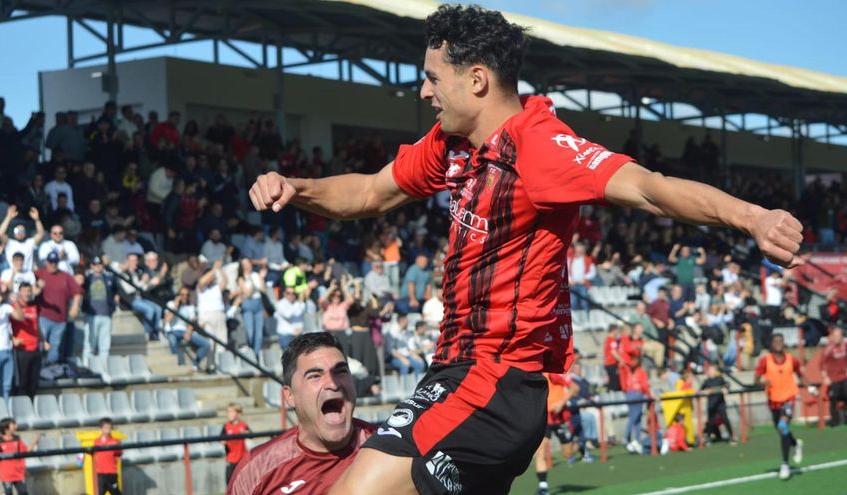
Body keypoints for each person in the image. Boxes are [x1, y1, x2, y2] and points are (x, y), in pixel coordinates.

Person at [249, 5, 804, 493]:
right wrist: (295, 189)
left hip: (492, 384)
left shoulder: (540, 146)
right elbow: (371, 191)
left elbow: (649, 188)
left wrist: (752, 216)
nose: (423, 92)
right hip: (456, 375)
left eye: (431, 79)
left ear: (477, 80)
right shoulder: (450, 145)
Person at [228, 332, 375, 495]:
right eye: (315, 376)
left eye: (340, 371)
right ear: (290, 396)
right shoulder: (256, 470)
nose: (333, 384)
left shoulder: (388, 451)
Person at [755, 333, 807, 480]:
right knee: (781, 430)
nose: (778, 343)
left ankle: (785, 464)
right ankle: (796, 443)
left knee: (783, 426)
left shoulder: (791, 359)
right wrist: (763, 383)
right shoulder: (765, 360)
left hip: (788, 398)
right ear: (771, 344)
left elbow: (800, 374)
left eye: (780, 341)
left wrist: (810, 387)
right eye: (775, 341)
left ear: (784, 343)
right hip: (773, 400)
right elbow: (756, 379)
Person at [533, 373, 581, 495]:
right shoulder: (531, 374)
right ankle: (543, 486)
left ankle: (580, 445)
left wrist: (561, 402)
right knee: (540, 452)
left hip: (560, 418)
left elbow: (575, 388)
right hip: (544, 418)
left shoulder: (553, 373)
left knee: (567, 454)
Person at [34, 252, 82, 364]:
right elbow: (27, 285)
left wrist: (75, 306)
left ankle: (52, 369)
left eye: (55, 262)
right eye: (50, 262)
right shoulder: (39, 273)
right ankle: (38, 369)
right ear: (46, 262)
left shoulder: (65, 276)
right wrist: (37, 286)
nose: (53, 265)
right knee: (41, 343)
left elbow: (77, 291)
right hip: (44, 316)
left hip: (61, 318)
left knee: (55, 345)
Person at [11, 282, 46, 398]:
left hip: (35, 348)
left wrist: (44, 341)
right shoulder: (12, 307)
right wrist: (12, 339)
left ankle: (30, 410)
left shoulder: (34, 306)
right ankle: (21, 410)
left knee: (33, 383)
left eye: (29, 291)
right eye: (25, 291)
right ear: (19, 292)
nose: (27, 293)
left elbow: (37, 326)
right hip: (22, 349)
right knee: (22, 383)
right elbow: (4, 327)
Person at [163, 287, 211, 371]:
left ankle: (195, 364)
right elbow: (167, 319)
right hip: (172, 331)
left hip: (185, 331)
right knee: (173, 342)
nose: (184, 297)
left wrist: (188, 332)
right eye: (182, 295)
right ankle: (178, 366)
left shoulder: (190, 307)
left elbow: (191, 322)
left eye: (187, 295)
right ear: (178, 295)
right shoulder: (171, 304)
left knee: (206, 344)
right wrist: (176, 305)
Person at [82, 256, 118, 364]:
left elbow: (116, 291)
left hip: (106, 314)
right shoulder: (87, 279)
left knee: (105, 344)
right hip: (91, 314)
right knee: (89, 342)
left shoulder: (109, 278)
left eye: (100, 265)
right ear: (91, 266)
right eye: (95, 265)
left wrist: (114, 305)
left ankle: (103, 366)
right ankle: (86, 366)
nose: (98, 267)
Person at [0, 418, 41, 495]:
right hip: (6, 474)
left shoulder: (17, 439)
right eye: (13, 425)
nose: (16, 426)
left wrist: (35, 441)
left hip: (18, 473)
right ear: (6, 428)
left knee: (23, 492)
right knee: (8, 492)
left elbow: (26, 450)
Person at [0, 205, 45, 272]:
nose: (20, 233)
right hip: (12, 275)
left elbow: (41, 234)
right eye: (17, 231)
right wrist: (8, 217)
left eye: (22, 231)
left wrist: (37, 220)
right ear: (13, 232)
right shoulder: (9, 243)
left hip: (28, 275)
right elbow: (0, 233)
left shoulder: (29, 243)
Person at [700, 362, 735, 444]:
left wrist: (726, 388)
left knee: (725, 419)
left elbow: (727, 384)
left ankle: (731, 436)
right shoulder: (707, 381)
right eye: (709, 370)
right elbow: (700, 390)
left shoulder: (720, 379)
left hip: (720, 403)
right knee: (710, 421)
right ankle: (708, 438)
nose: (710, 371)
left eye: (712, 370)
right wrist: (704, 392)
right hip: (711, 404)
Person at [820, 326, 846, 427]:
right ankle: (834, 421)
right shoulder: (828, 349)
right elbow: (821, 365)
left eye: (839, 336)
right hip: (833, 379)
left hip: (844, 378)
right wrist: (825, 377)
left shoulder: (845, 346)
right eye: (835, 336)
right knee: (833, 399)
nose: (837, 338)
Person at [221, 403, 251, 485]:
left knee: (244, 482)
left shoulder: (243, 425)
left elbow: (251, 435)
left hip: (243, 458)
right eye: (228, 412)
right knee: (230, 482)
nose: (229, 414)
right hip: (231, 459)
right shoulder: (226, 426)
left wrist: (246, 433)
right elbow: (221, 439)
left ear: (238, 413)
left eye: (231, 412)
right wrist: (223, 441)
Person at [93, 418, 123, 495]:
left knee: (116, 492)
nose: (108, 430)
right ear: (101, 429)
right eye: (106, 428)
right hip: (100, 473)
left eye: (110, 428)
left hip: (111, 473)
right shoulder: (96, 441)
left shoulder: (115, 441)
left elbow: (120, 453)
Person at [603, 324, 621, 391]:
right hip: (611, 364)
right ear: (613, 330)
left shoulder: (607, 339)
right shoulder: (611, 340)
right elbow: (613, 352)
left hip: (608, 364)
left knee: (611, 381)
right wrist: (621, 360)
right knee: (614, 382)